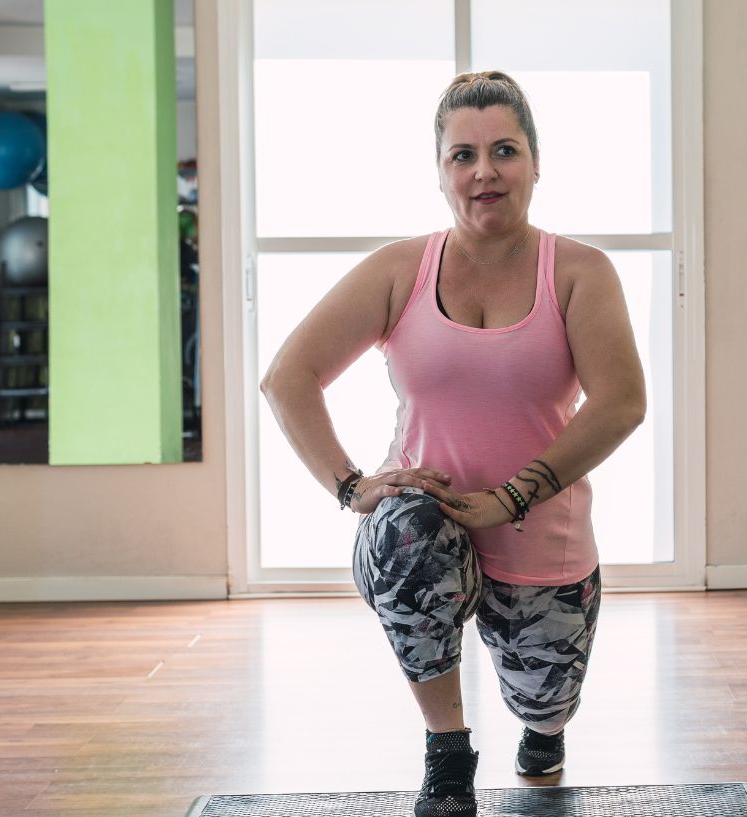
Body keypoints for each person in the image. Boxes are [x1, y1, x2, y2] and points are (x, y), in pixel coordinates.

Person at [259, 71, 647, 817]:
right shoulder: (401, 270)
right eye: (462, 155)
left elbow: (623, 402)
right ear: (441, 173)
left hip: (542, 540)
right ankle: (447, 751)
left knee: (546, 705)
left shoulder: (578, 272)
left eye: (504, 150)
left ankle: (543, 728)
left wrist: (509, 497)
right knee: (405, 531)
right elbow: (288, 376)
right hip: (426, 530)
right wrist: (350, 485)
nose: (484, 171)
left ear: (536, 162)